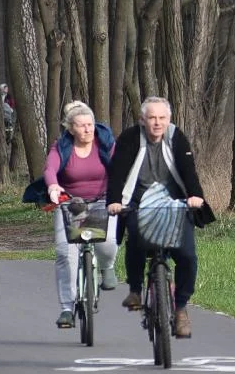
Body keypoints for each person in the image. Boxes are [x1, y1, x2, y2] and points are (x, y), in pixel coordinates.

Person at [106, 96, 215, 338]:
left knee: (186, 254)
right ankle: (135, 289)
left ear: (169, 120)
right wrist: (114, 201)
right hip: (138, 203)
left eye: (162, 118)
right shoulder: (130, 138)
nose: (157, 123)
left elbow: (188, 171)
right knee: (135, 238)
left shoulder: (176, 137)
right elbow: (118, 173)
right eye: (152, 118)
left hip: (173, 204)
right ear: (142, 120)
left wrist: (195, 196)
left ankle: (181, 309)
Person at [41, 101, 119, 329]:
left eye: (90, 124)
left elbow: (120, 166)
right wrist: (53, 187)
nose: (87, 129)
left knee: (108, 242)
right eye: (82, 125)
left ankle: (106, 267)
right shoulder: (61, 147)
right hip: (70, 204)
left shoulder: (105, 144)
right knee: (66, 254)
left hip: (103, 201)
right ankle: (67, 308)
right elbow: (50, 169)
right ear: (70, 128)